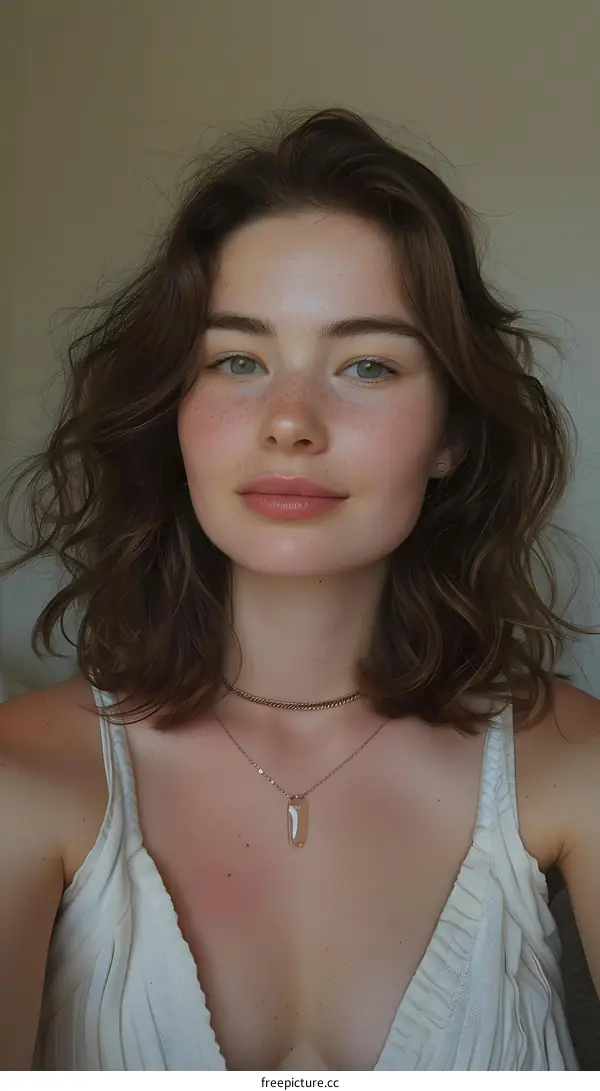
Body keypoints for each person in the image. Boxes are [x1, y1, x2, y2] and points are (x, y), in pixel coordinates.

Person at [0, 107, 599, 1073]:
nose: (289, 421)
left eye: (367, 364)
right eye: (238, 359)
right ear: (174, 412)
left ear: (451, 434)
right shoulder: (21, 773)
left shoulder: (573, 760)